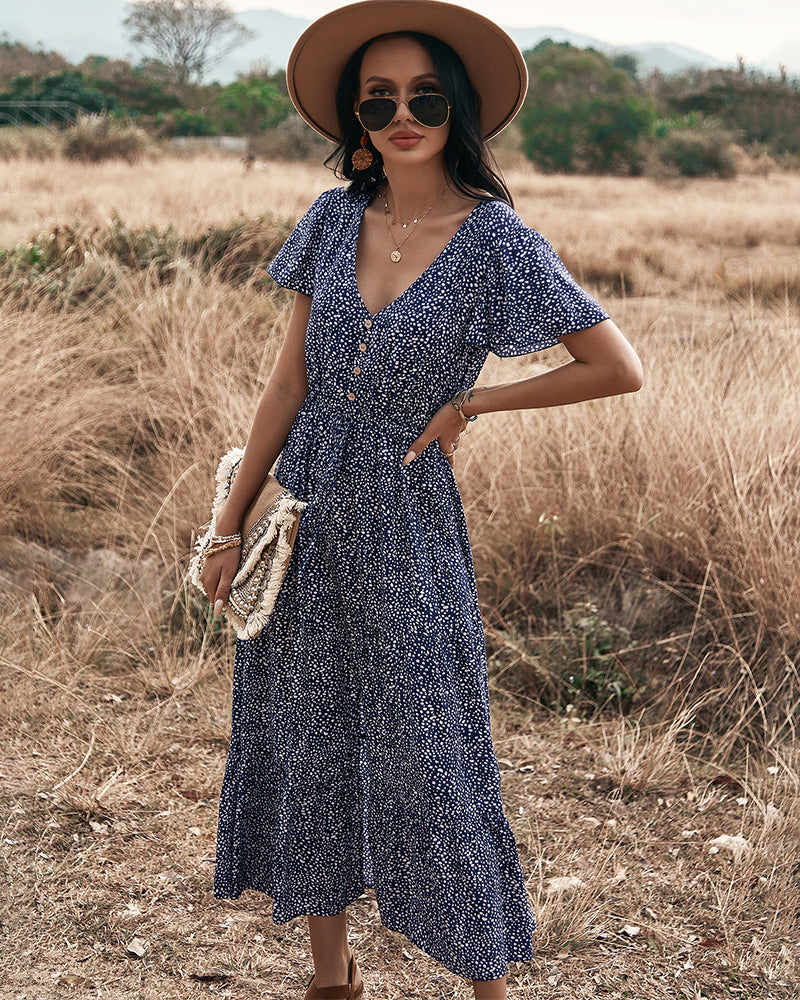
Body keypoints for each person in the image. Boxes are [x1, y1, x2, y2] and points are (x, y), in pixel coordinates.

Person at [199, 2, 643, 998]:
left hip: (406, 526)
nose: (403, 114)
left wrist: (474, 400)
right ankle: (330, 979)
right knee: (309, 738)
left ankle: (483, 979)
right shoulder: (327, 221)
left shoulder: (493, 240)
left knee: (429, 756)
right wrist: (226, 523)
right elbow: (285, 387)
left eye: (424, 95)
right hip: (308, 515)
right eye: (380, 99)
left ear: (458, 110)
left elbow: (614, 366)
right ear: (357, 119)